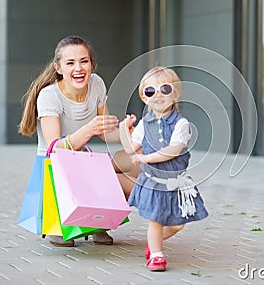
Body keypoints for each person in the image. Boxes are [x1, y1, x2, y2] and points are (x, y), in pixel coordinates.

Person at [18, 35, 140, 247]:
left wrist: (125, 131)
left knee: (137, 160)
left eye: (84, 61)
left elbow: (104, 133)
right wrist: (88, 129)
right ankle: (75, 221)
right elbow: (55, 148)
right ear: (58, 67)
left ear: (92, 64)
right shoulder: (49, 96)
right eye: (70, 63)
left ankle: (98, 221)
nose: (79, 68)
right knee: (117, 179)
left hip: (82, 159)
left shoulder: (97, 84)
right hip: (55, 167)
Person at [119, 66, 208, 271]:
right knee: (156, 220)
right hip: (154, 182)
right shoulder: (144, 123)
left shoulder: (181, 123)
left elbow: (172, 151)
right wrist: (125, 129)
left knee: (177, 224)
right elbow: (131, 148)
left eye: (165, 89)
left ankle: (154, 244)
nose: (158, 95)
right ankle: (156, 255)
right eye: (151, 91)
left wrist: (146, 158)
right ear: (144, 97)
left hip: (175, 182)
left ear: (175, 93)